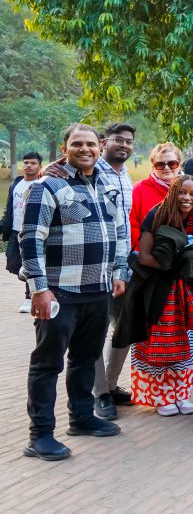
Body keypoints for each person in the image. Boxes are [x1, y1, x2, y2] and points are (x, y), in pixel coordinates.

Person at [20, 124, 128, 460]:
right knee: (47, 363)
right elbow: (30, 238)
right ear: (65, 148)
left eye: (91, 144)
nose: (85, 149)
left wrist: (119, 272)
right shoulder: (46, 186)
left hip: (98, 290)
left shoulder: (108, 185)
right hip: (59, 292)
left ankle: (81, 417)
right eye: (77, 144)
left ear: (100, 146)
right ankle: (40, 436)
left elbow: (119, 231)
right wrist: (39, 289)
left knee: (84, 358)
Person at [123, 175, 193, 417]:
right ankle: (160, 396)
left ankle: (181, 394)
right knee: (159, 342)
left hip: (184, 288)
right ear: (173, 192)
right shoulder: (157, 214)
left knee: (186, 342)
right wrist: (174, 262)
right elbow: (145, 257)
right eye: (182, 192)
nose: (187, 198)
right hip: (157, 288)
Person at [90, 124, 136, 419]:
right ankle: (99, 394)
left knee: (124, 328)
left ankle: (110, 384)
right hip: (97, 266)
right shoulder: (92, 170)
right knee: (96, 330)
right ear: (104, 142)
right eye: (118, 140)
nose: (124, 145)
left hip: (124, 266)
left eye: (129, 141)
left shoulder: (125, 175)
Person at [2, 151, 43, 314]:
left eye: (33, 163)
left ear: (40, 166)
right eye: (26, 162)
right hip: (15, 231)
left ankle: (29, 297)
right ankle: (39, 283)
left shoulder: (42, 184)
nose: (28, 166)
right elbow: (9, 209)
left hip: (32, 232)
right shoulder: (16, 183)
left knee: (29, 263)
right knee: (13, 264)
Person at [130, 143, 183, 251]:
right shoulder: (139, 189)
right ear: (153, 167)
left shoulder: (189, 189)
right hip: (148, 253)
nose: (166, 168)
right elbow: (132, 226)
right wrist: (144, 253)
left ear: (180, 165)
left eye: (172, 163)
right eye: (160, 164)